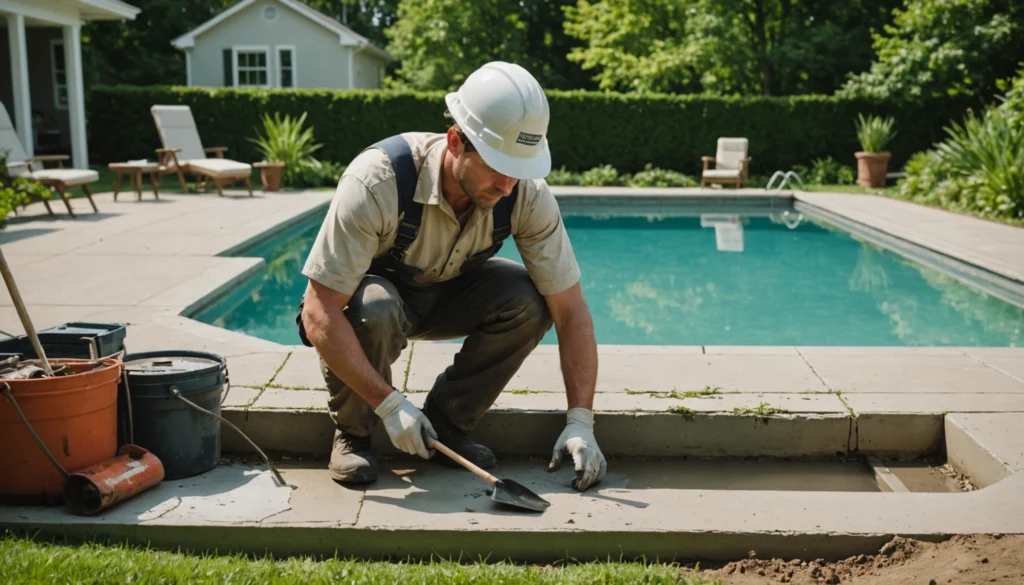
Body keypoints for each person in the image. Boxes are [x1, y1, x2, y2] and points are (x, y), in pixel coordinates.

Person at [297, 61, 606, 492]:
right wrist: (388, 404)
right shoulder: (379, 180)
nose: (508, 185)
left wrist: (580, 422)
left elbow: (571, 311)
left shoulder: (524, 193)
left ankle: (448, 424)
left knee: (529, 301)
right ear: (456, 141)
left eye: (519, 169)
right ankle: (355, 433)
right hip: (378, 303)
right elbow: (319, 311)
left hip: (450, 294)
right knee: (376, 308)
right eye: (497, 166)